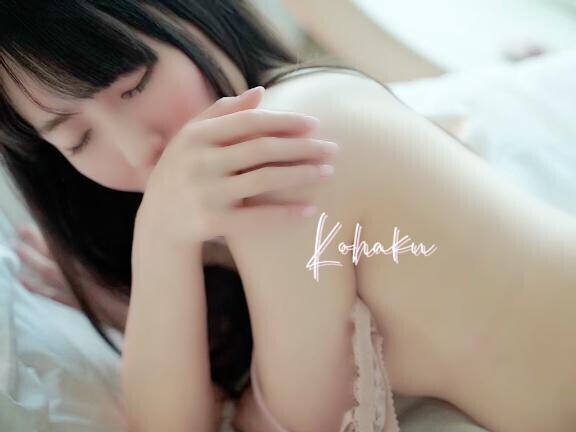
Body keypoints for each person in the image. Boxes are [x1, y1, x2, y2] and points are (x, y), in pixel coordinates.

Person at [1, 2, 575, 432]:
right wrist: (144, 289)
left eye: (135, 85)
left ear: (196, 16)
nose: (137, 151)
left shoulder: (287, 149)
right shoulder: (289, 132)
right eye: (77, 140)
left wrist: (158, 245)